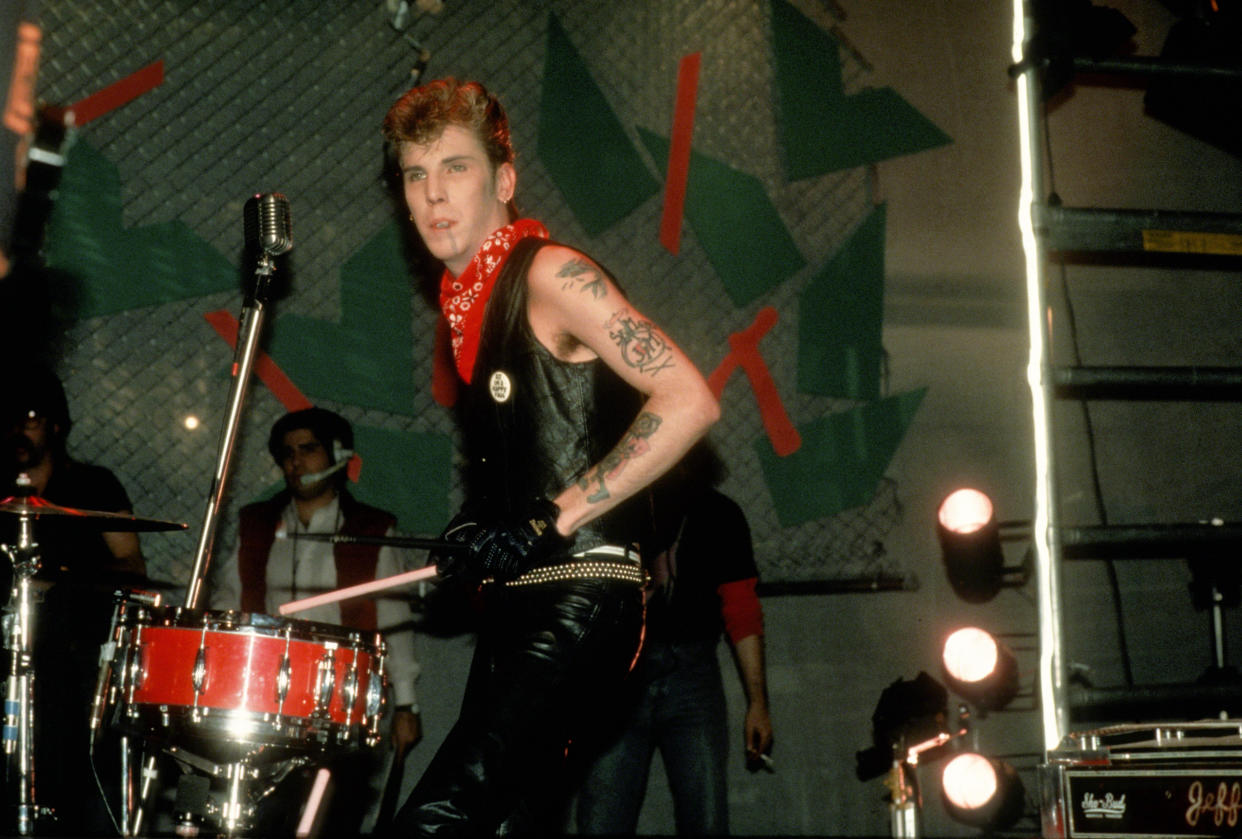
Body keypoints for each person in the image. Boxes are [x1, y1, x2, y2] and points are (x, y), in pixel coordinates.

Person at [380, 77, 720, 835]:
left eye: (455, 167)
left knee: (436, 818)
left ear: (504, 179)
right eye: (415, 174)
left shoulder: (549, 274)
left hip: (581, 593)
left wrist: (548, 516)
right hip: (522, 599)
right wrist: (480, 527)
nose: (434, 194)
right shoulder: (468, 305)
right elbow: (539, 443)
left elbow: (689, 399)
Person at [210, 406, 421, 834]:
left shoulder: (372, 530)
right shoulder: (257, 524)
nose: (295, 461)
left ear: (340, 455)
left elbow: (394, 621)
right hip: (266, 697)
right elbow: (228, 599)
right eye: (287, 452)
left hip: (340, 701)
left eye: (308, 449)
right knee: (263, 820)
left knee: (331, 820)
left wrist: (406, 705)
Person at [575, 444, 774, 835]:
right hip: (617, 677)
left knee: (705, 818)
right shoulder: (613, 509)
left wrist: (758, 704)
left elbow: (742, 612)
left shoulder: (719, 514)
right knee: (601, 820)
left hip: (692, 676)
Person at [2, 364, 147, 835]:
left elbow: (131, 563)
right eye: (9, 418)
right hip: (7, 648)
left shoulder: (93, 485)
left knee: (75, 781)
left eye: (30, 417)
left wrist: (62, 583)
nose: (18, 430)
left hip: (73, 657)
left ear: (57, 424)